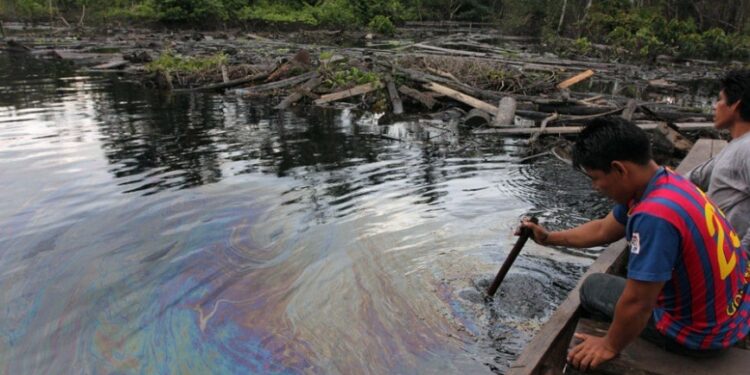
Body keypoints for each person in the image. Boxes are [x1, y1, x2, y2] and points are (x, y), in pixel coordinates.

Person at [520, 116, 749, 371]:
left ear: (619, 169)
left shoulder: (654, 216)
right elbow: (603, 229)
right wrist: (549, 237)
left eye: (595, 178)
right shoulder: (668, 182)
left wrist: (609, 345)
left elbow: (639, 302)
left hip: (701, 336)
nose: (595, 187)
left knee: (593, 287)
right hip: (733, 316)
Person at [689, 70, 750, 252]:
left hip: (732, 265)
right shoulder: (737, 145)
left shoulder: (747, 149)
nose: (716, 105)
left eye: (720, 99)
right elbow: (695, 177)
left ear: (735, 106)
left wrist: (742, 259)